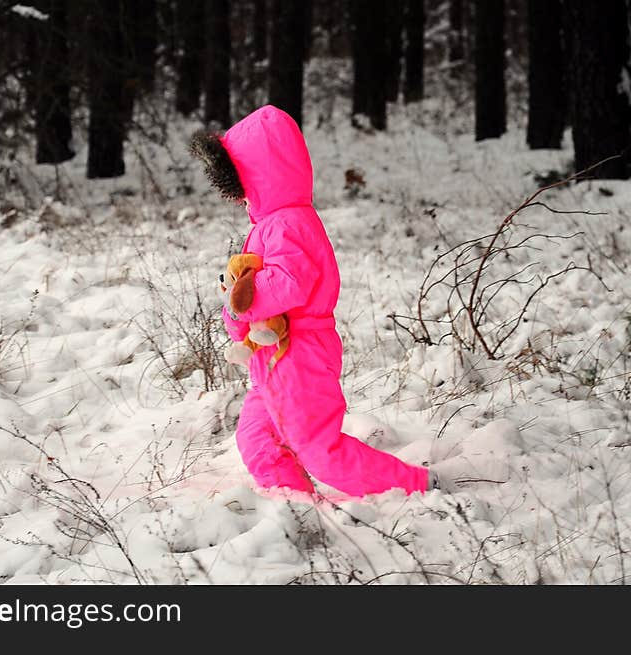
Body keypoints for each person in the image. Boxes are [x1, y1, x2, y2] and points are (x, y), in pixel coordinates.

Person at [191, 105, 447, 496]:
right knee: (255, 439)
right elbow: (252, 293)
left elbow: (289, 282)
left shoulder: (290, 224)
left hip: (300, 355)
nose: (240, 195)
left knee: (318, 449)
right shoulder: (268, 224)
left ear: (261, 174)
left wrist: (242, 298)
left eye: (242, 180)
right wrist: (235, 305)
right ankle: (295, 501)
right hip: (271, 359)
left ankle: (418, 485)